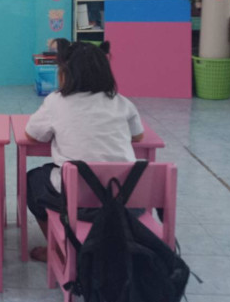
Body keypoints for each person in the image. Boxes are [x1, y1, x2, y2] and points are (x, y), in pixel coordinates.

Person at [25, 39, 144, 262]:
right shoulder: (122, 102)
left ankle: (58, 249)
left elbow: (32, 135)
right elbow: (138, 136)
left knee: (31, 182)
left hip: (78, 199)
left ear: (66, 73)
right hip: (126, 199)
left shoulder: (56, 102)